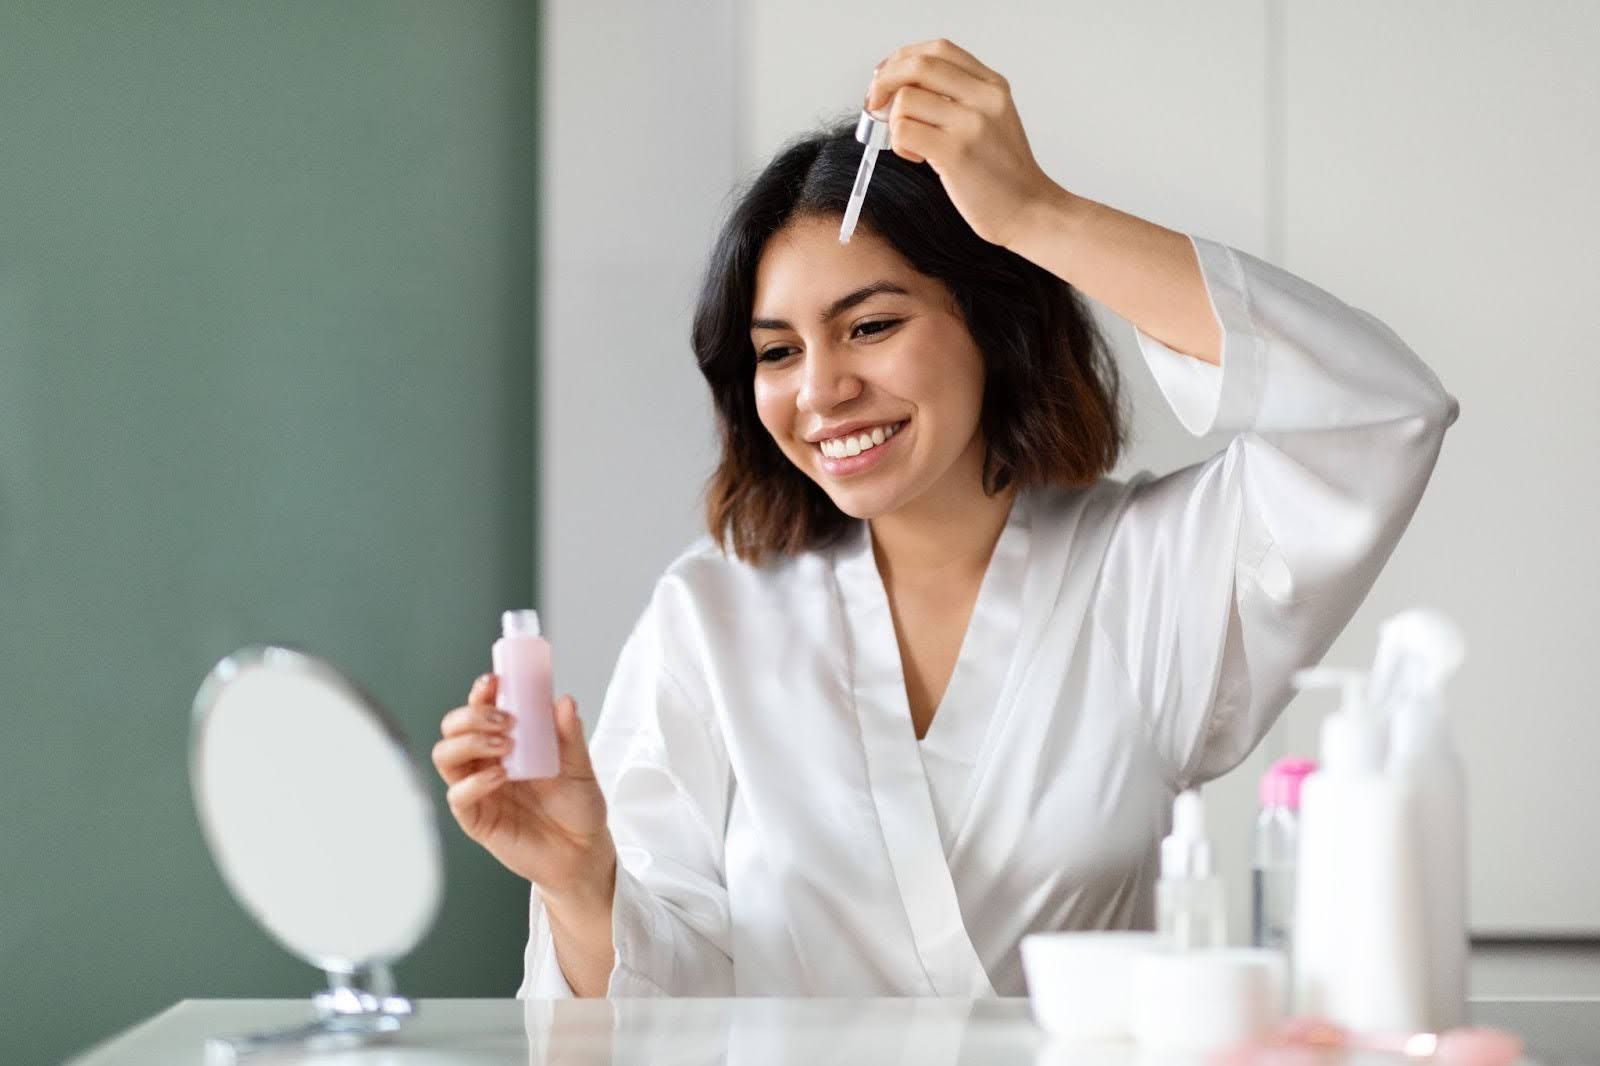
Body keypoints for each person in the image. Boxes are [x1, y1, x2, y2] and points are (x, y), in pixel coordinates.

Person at [431, 39, 1458, 998]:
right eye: (777, 352)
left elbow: (1375, 414)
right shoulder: (711, 616)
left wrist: (1037, 215)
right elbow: (663, 1004)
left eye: (870, 326)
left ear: (992, 325)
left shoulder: (1148, 575)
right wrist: (582, 883)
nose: (822, 390)